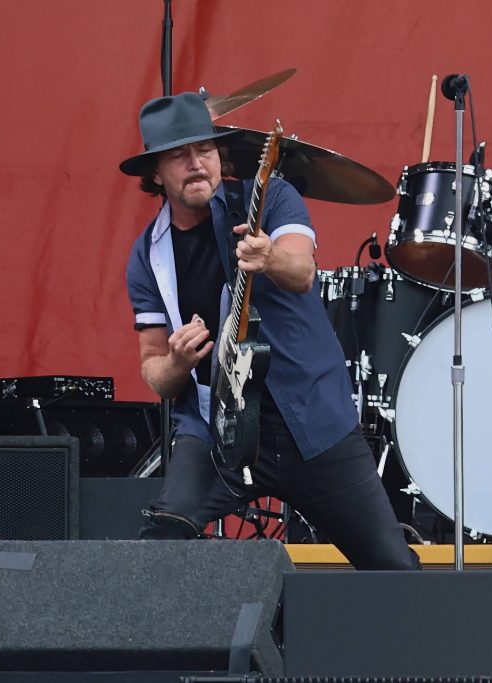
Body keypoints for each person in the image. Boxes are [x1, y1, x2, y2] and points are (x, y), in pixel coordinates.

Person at [121, 92, 420, 570]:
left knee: (393, 569)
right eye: (178, 155)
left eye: (204, 149)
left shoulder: (269, 199)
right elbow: (155, 372)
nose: (196, 163)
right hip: (217, 431)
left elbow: (301, 271)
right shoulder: (147, 256)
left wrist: (269, 258)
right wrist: (176, 363)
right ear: (155, 173)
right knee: (159, 546)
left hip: (311, 419)